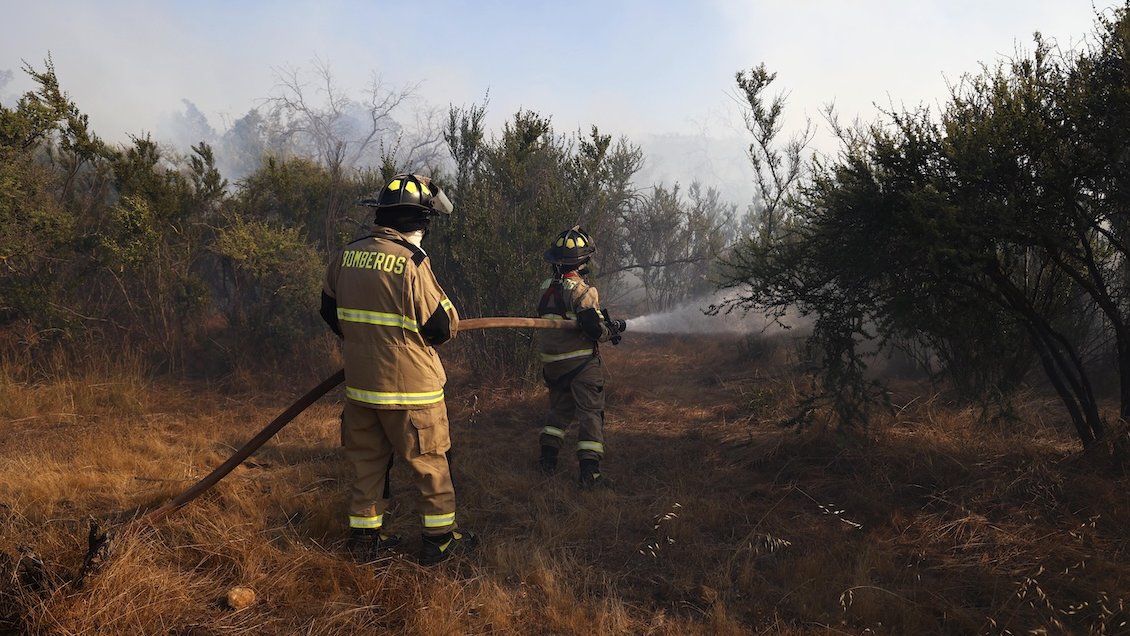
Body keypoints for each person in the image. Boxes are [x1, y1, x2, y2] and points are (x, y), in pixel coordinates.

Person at [320, 173, 477, 565]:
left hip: (361, 388)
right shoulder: (412, 262)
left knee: (367, 464)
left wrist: (364, 343)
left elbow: (329, 310)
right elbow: (440, 327)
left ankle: (364, 540)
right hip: (413, 394)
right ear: (422, 222)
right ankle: (440, 540)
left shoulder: (348, 253)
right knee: (430, 465)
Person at [534, 226, 626, 488]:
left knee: (559, 411)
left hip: (553, 364)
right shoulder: (583, 291)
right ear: (582, 261)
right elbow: (594, 329)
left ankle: (547, 461)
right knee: (591, 414)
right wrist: (611, 330)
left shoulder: (545, 288)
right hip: (580, 365)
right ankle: (590, 474)